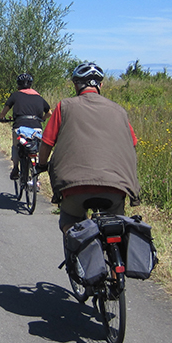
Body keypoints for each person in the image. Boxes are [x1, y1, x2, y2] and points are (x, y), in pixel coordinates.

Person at [37, 62, 141, 234]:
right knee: (116, 228)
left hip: (75, 186)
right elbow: (133, 144)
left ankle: (76, 256)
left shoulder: (64, 106)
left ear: (76, 85)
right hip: (116, 186)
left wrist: (41, 165)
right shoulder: (119, 111)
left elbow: (47, 143)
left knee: (71, 223)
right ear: (100, 85)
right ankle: (118, 259)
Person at [0, 73, 52, 180]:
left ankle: (15, 168)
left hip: (20, 127)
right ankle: (36, 177)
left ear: (18, 85)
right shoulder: (39, 97)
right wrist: (42, 119)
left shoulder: (15, 95)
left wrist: (1, 117)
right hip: (36, 128)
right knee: (35, 149)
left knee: (16, 146)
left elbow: (4, 111)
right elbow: (49, 112)